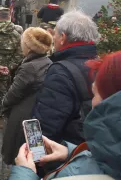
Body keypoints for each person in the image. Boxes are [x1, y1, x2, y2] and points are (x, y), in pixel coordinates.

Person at [8, 45, 121, 180]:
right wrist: (74, 153)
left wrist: (24, 177)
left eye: (95, 93)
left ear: (116, 103)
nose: (91, 101)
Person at [33, 10, 99, 144]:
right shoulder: (102, 65)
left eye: (55, 34)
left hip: (59, 152)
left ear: (63, 37)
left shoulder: (60, 72)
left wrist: (33, 157)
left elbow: (45, 124)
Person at [1, 27, 53, 165]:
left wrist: (3, 104)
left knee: (17, 151)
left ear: (28, 47)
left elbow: (12, 94)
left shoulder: (29, 67)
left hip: (22, 114)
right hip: (34, 113)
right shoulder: (47, 61)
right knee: (32, 154)